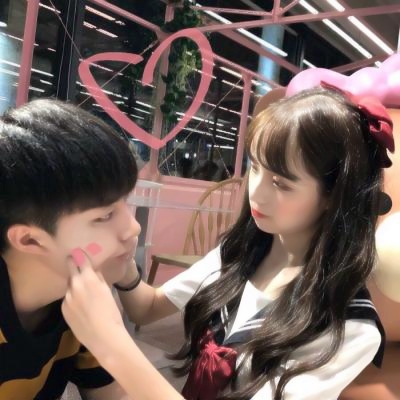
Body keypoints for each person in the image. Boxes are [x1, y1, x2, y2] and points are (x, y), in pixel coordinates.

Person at [62, 85, 394, 400]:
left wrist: (110, 344)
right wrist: (123, 268)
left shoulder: (348, 325)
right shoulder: (239, 254)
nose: (256, 192)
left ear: (334, 196)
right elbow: (148, 308)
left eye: (281, 183)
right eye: (256, 167)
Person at [0, 99, 141, 399]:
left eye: (125, 203)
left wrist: (113, 343)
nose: (133, 228)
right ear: (30, 240)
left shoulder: (83, 303)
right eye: (104, 216)